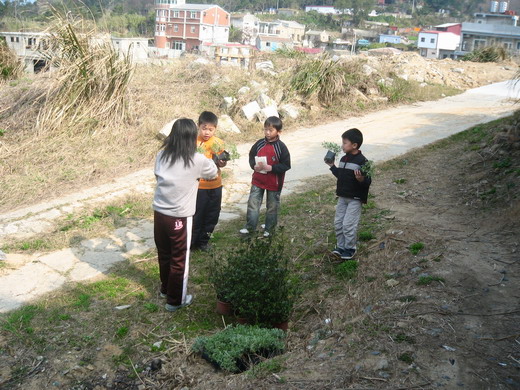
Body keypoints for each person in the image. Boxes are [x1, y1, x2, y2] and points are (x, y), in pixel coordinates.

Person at [153, 118, 218, 312]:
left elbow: (157, 176)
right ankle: (176, 300)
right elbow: (213, 173)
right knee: (179, 258)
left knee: (164, 254)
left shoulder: (162, 155)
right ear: (192, 138)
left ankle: (166, 289)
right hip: (180, 217)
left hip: (159, 213)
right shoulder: (197, 160)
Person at [325, 128, 372, 260]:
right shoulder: (343, 159)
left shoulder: (363, 161)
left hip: (355, 199)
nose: (342, 146)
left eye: (345, 143)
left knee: (348, 225)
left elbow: (368, 181)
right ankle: (341, 247)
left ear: (354, 145)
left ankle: (350, 248)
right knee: (338, 222)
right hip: (342, 197)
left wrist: (361, 179)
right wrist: (332, 166)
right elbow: (340, 176)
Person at [240, 116, 291, 237]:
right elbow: (252, 155)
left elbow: (286, 165)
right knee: (253, 203)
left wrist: (271, 168)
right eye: (266, 129)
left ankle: (269, 229)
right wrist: (254, 165)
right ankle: (250, 227)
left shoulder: (281, 147)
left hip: (274, 182)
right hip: (258, 180)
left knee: (272, 207)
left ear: (278, 132)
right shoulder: (259, 143)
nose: (267, 132)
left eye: (271, 130)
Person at [191, 111, 227, 251]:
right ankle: (192, 242)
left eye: (210, 130)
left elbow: (222, 162)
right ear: (198, 127)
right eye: (204, 128)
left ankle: (204, 241)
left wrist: (223, 162)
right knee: (198, 214)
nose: (207, 132)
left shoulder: (218, 143)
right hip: (199, 186)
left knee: (213, 214)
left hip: (215, 184)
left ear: (215, 129)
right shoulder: (194, 142)